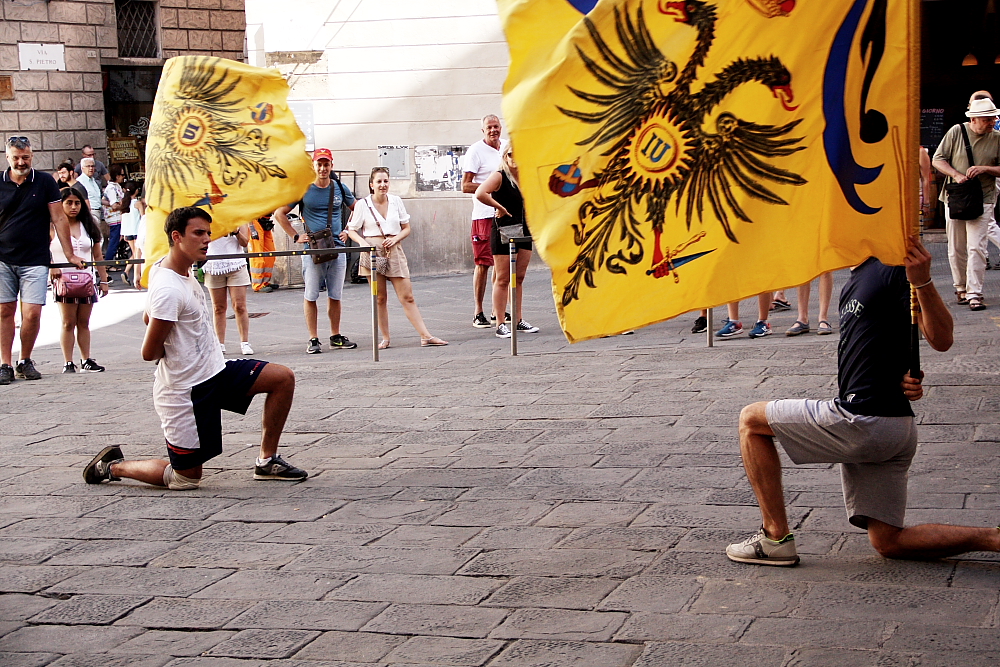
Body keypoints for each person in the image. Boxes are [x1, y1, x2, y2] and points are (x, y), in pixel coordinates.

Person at [727, 236, 1000, 565]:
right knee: (889, 542)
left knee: (751, 420)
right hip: (892, 425)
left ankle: (775, 537)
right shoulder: (857, 277)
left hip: (863, 420)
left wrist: (924, 280)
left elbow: (941, 338)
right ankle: (993, 538)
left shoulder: (890, 268)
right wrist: (907, 374)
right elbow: (889, 338)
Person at [83, 206, 307, 489]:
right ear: (177, 236)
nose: (207, 240)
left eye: (208, 233)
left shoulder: (174, 268)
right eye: (199, 233)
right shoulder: (168, 289)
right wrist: (179, 351)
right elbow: (148, 353)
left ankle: (267, 460)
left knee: (282, 378)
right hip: (185, 391)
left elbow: (146, 315)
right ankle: (112, 467)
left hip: (215, 371)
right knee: (185, 479)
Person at [0, 137, 85, 385]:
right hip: (3, 257)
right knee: (5, 311)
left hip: (35, 258)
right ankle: (4, 363)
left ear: (32, 156)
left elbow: (59, 219)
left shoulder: (45, 181)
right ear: (7, 157)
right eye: (16, 157)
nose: (21, 162)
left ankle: (25, 360)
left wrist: (69, 254)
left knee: (33, 313)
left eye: (25, 157)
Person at [346, 167, 448, 349]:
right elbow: (352, 229)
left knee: (407, 296)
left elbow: (406, 228)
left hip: (394, 249)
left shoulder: (396, 201)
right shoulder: (363, 204)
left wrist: (395, 239)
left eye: (385, 181)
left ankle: (426, 335)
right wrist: (363, 243)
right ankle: (385, 338)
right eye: (379, 181)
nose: (383, 185)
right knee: (379, 297)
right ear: (371, 185)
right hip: (372, 250)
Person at [274, 148, 358, 354]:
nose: (322, 168)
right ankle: (313, 338)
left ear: (331, 165)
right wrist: (295, 236)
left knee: (335, 295)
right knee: (311, 295)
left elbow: (358, 208)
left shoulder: (339, 186)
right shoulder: (303, 188)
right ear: (313, 166)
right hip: (312, 250)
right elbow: (279, 213)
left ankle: (335, 335)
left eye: (326, 164)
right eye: (319, 164)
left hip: (337, 248)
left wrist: (348, 230)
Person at [931, 97, 1000, 311]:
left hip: (984, 197)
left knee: (976, 247)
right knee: (956, 248)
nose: (993, 122)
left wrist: (985, 169)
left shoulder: (997, 138)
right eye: (988, 119)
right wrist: (957, 175)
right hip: (956, 197)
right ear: (975, 119)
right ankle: (960, 287)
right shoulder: (956, 132)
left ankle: (974, 294)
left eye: (993, 118)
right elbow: (938, 159)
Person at [474, 142, 539, 338]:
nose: (514, 158)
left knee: (519, 277)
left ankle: (518, 319)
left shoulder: (526, 177)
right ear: (505, 156)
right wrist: (500, 208)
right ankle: (500, 322)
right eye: (510, 154)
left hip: (524, 229)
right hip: (504, 229)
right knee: (502, 278)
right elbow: (480, 193)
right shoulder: (500, 176)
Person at [50, 188, 109, 373]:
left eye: (77, 203)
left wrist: (104, 279)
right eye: (69, 203)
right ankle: (68, 361)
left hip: (86, 279)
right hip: (63, 279)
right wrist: (52, 265)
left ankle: (86, 359)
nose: (73, 207)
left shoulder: (88, 224)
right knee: (68, 322)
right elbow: (43, 249)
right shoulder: (52, 226)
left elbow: (97, 255)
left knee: (84, 322)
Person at [462, 115, 503, 328]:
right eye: (489, 127)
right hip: (483, 214)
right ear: (483, 130)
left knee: (501, 262)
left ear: (501, 128)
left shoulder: (506, 147)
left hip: (503, 213)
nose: (493, 130)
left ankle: (498, 310)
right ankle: (478, 311)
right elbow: (465, 185)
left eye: (496, 126)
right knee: (483, 263)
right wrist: (490, 187)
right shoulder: (475, 151)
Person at [204, 224, 254, 355]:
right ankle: (219, 343)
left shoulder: (237, 216)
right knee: (218, 307)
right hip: (213, 263)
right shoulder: (209, 217)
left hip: (236, 263)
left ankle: (245, 342)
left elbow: (245, 242)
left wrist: (235, 231)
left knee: (240, 306)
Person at [120, 180, 145, 289]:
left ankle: (129, 272)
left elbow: (122, 219)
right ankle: (132, 273)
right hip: (137, 231)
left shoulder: (124, 203)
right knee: (137, 254)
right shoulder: (137, 203)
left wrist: (122, 233)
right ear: (137, 191)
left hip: (127, 231)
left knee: (135, 253)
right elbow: (144, 218)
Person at [103, 165, 126, 268]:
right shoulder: (112, 188)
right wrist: (124, 205)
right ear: (116, 176)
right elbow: (114, 205)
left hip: (118, 217)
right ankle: (108, 262)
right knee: (114, 240)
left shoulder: (116, 186)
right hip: (114, 218)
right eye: (122, 175)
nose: (123, 177)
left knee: (117, 239)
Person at [249, 214, 277, 292]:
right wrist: (251, 228)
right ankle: (257, 284)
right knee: (257, 255)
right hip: (254, 221)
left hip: (264, 220)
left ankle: (265, 282)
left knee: (270, 254)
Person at [76, 158, 106, 230]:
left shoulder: (93, 180)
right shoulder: (80, 182)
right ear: (82, 168)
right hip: (89, 212)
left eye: (92, 166)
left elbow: (96, 198)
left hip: (98, 211)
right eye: (88, 166)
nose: (91, 168)